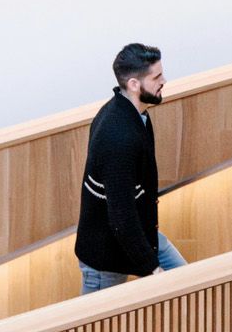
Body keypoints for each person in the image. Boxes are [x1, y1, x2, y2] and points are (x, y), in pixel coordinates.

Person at [75, 43, 188, 293]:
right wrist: (152, 268)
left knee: (187, 282)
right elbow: (121, 218)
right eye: (157, 77)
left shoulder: (134, 114)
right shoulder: (119, 136)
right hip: (106, 259)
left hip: (137, 233)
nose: (164, 81)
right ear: (135, 84)